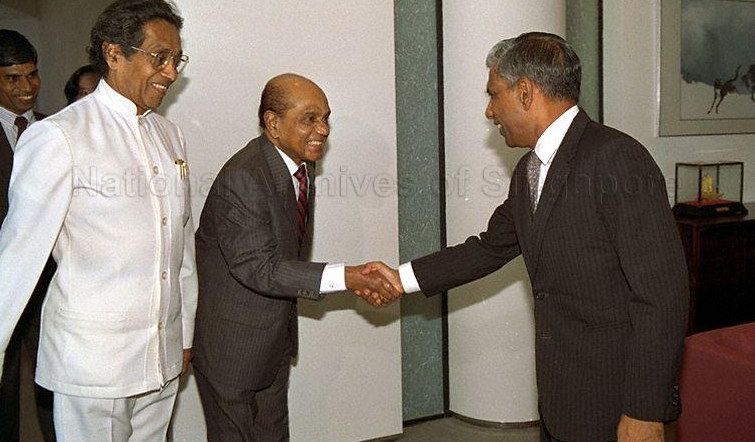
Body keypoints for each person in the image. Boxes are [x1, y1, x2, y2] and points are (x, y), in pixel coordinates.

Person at [379, 32, 689, 442]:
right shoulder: (529, 172)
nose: (490, 111)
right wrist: (399, 278)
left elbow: (662, 293)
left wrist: (645, 411)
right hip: (561, 400)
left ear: (525, 91)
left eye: (493, 95)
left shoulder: (616, 158)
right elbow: (488, 248)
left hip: (616, 403)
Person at [0, 0, 198, 441]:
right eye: (159, 58)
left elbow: (181, 246)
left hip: (161, 357)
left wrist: (183, 336)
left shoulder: (170, 134)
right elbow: (18, 258)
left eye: (177, 59)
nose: (171, 72)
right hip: (94, 362)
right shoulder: (59, 137)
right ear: (113, 53)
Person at [192, 72, 399, 441]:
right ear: (273, 123)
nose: (323, 129)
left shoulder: (301, 166)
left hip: (273, 341)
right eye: (310, 119)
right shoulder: (243, 177)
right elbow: (261, 268)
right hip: (232, 349)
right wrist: (349, 277)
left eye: (325, 118)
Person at [0, 29, 56, 441]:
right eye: (12, 78)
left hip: (53, 285)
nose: (27, 87)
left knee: (56, 393)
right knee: (1, 391)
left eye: (32, 75)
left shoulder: (56, 131)